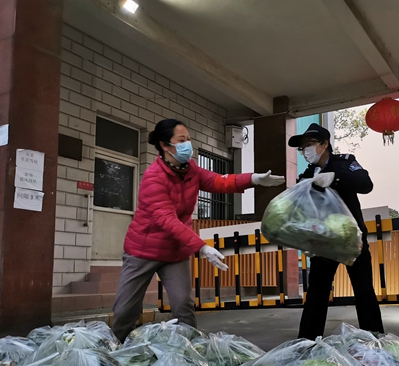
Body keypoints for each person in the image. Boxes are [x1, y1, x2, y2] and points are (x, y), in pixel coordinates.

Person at [111, 118, 285, 342]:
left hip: (175, 253)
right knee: (126, 310)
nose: (187, 145)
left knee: (184, 305)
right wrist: (201, 247)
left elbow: (217, 181)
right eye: (181, 140)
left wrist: (252, 179)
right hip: (143, 251)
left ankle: (189, 351)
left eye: (189, 140)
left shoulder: (190, 169)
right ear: (165, 146)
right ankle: (113, 350)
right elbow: (167, 220)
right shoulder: (154, 178)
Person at [290, 123, 384, 340]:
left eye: (310, 145)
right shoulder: (308, 173)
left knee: (363, 291)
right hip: (324, 243)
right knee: (316, 295)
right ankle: (307, 342)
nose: (306, 151)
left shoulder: (344, 163)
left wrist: (335, 178)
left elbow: (365, 184)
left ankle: (375, 339)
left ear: (324, 144)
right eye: (302, 148)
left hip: (352, 241)